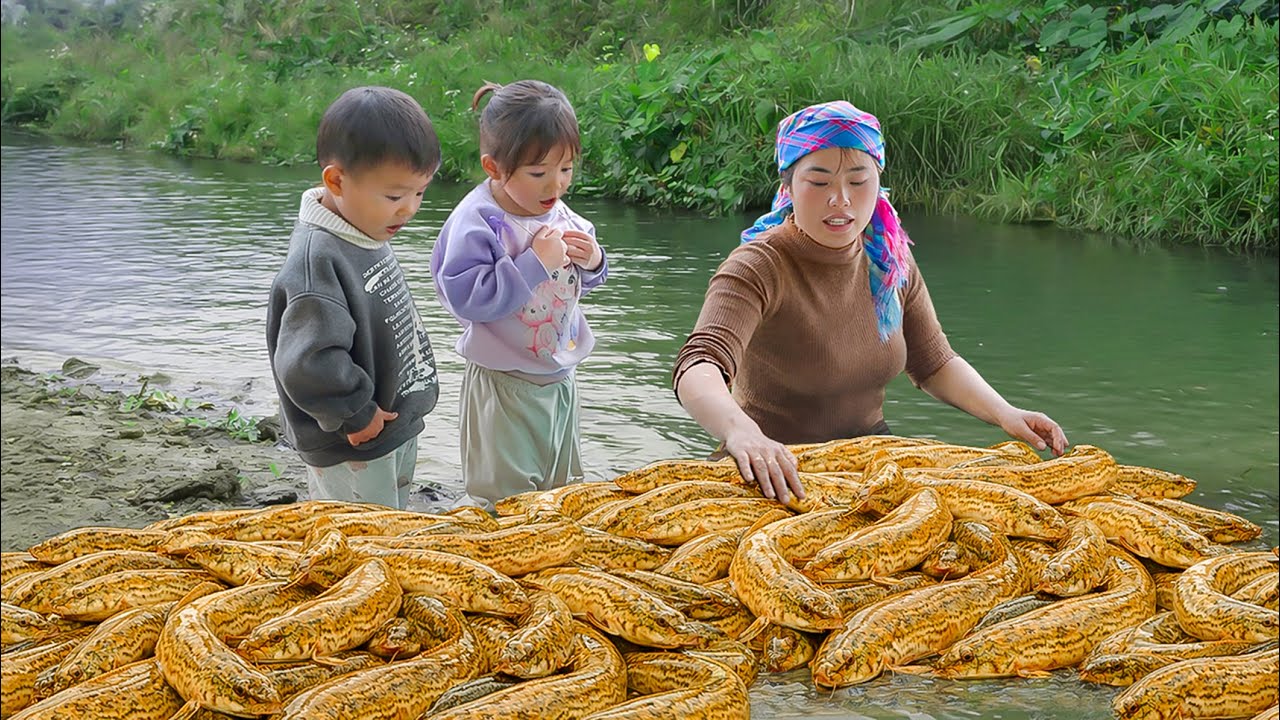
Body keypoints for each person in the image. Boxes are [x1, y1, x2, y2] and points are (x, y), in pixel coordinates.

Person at [672, 100, 1067, 504]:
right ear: (787, 188)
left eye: (858, 181)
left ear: (878, 184)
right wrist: (739, 430)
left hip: (871, 463)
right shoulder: (759, 265)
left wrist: (1006, 414)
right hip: (772, 466)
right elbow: (699, 364)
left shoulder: (890, 258)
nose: (840, 199)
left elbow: (934, 363)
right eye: (819, 182)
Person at [431, 80, 607, 511]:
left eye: (566, 169)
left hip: (560, 378)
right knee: (502, 499)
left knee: (563, 491)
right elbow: (466, 298)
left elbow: (578, 283)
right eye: (538, 173)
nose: (556, 185)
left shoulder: (560, 213)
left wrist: (594, 261)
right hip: (503, 382)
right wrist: (533, 263)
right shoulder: (479, 221)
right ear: (494, 168)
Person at [266, 86, 441, 510]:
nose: (409, 209)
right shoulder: (317, 261)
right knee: (360, 532)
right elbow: (307, 360)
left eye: (420, 192)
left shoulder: (365, 226)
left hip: (390, 427)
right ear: (337, 181)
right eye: (395, 196)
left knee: (391, 524)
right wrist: (354, 412)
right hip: (353, 439)